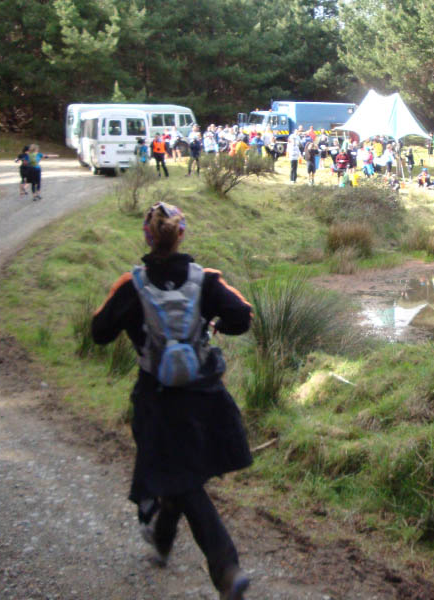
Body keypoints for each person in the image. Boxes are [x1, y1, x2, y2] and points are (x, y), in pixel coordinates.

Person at [90, 202, 253, 600]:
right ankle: (163, 540)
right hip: (205, 401)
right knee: (178, 476)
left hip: (157, 403)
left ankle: (226, 569)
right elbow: (242, 315)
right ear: (181, 235)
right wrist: (213, 325)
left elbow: (98, 332)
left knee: (181, 480)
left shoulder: (131, 286)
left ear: (147, 238)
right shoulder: (206, 280)